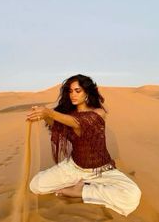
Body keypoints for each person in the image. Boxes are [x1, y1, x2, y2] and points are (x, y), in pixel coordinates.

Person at [26, 74, 141, 217]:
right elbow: (59, 127)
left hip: (102, 170)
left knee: (132, 196)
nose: (73, 95)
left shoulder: (98, 113)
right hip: (75, 168)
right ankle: (84, 186)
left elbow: (78, 122)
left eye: (77, 91)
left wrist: (49, 112)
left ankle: (81, 191)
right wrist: (44, 116)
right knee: (36, 185)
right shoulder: (68, 115)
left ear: (87, 92)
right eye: (70, 91)